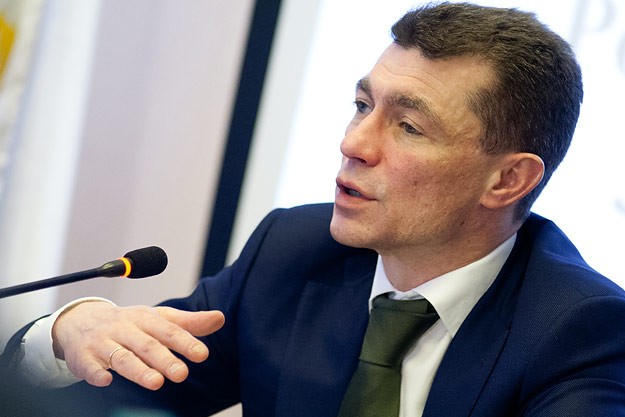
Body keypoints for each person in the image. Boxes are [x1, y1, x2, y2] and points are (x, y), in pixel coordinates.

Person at [3, 2, 625, 416]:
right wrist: (62, 336)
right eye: (362, 106)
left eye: (408, 126)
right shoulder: (294, 252)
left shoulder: (579, 330)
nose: (354, 144)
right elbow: (110, 398)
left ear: (508, 180)